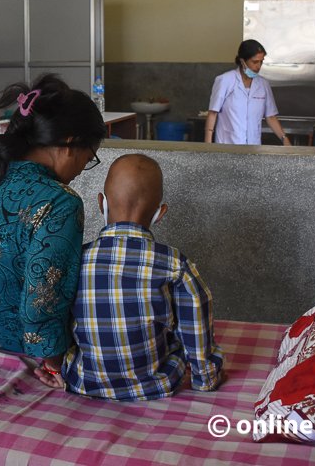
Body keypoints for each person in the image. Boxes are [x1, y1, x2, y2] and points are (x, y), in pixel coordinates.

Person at [0, 73, 106, 388]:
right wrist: (55, 363)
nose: (78, 172)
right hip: (17, 340)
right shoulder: (59, 201)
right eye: (87, 159)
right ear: (70, 145)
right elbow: (43, 298)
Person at [58, 154, 224, 400]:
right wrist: (205, 379)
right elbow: (196, 326)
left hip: (84, 382)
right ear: (160, 213)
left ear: (101, 203)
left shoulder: (76, 258)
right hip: (154, 384)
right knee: (178, 342)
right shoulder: (173, 263)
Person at [204, 39, 292, 146]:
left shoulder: (263, 85)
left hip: (253, 147)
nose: (258, 66)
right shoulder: (225, 80)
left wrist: (284, 139)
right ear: (242, 61)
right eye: (255, 62)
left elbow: (270, 116)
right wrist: (207, 146)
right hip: (228, 145)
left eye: (261, 61)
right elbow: (213, 113)